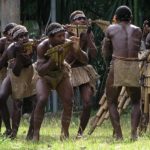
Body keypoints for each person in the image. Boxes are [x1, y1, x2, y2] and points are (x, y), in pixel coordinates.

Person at [32, 22, 86, 141]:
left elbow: (85, 60)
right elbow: (40, 71)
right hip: (45, 75)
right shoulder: (42, 46)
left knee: (68, 101)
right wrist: (52, 60)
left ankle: (64, 133)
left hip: (61, 73)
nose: (63, 38)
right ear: (50, 37)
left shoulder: (67, 43)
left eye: (63, 35)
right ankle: (36, 134)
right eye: (59, 36)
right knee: (41, 100)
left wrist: (78, 50)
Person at [102, 5, 142, 141]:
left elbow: (106, 51)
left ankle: (119, 136)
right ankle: (133, 134)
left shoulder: (111, 29)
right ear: (131, 18)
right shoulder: (138, 30)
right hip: (133, 64)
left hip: (117, 63)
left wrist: (109, 65)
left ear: (116, 18)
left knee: (112, 102)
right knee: (136, 102)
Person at [65, 10, 99, 138]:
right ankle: (65, 132)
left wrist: (88, 36)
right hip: (68, 70)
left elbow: (94, 55)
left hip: (83, 70)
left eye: (83, 18)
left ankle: (80, 134)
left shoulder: (88, 33)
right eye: (77, 18)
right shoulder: (64, 34)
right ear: (71, 22)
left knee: (87, 103)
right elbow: (65, 58)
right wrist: (70, 38)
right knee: (68, 103)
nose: (81, 20)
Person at [0, 25, 37, 139]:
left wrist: (20, 55)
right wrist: (16, 55)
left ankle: (31, 132)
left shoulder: (31, 46)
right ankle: (10, 130)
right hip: (13, 74)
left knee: (35, 102)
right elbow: (14, 71)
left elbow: (25, 64)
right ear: (15, 39)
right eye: (21, 36)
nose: (25, 38)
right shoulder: (11, 48)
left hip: (28, 73)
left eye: (26, 35)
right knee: (2, 98)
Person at [0, 22, 17, 135]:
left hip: (19, 74)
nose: (14, 36)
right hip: (4, 73)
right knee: (1, 99)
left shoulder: (21, 42)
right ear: (6, 35)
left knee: (18, 102)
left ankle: (14, 131)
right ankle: (8, 129)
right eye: (11, 34)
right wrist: (6, 52)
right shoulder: (1, 43)